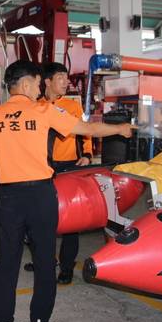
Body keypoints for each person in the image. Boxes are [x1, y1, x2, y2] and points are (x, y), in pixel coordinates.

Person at [0, 60, 133, 322]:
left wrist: (6, 171)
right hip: (41, 197)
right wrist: (120, 129)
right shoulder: (44, 111)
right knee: (45, 262)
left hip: (9, 198)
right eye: (37, 84)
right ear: (25, 84)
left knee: (6, 263)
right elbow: (88, 129)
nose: (39, 89)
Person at [39, 62, 92, 285]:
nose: (66, 81)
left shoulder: (72, 106)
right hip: (44, 168)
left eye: (66, 77)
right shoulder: (36, 106)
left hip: (70, 166)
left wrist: (87, 154)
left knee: (71, 219)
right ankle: (45, 260)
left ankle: (67, 266)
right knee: (43, 218)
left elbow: (86, 132)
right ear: (47, 81)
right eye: (60, 77)